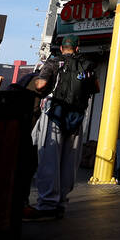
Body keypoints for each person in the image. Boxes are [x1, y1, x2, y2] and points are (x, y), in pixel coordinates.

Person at [24, 34, 99, 220]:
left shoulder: (53, 63)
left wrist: (35, 83)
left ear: (62, 47)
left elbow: (40, 84)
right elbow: (96, 88)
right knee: (69, 162)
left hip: (55, 114)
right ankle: (61, 202)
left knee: (49, 159)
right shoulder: (87, 66)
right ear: (77, 47)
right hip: (77, 117)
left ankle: (47, 204)